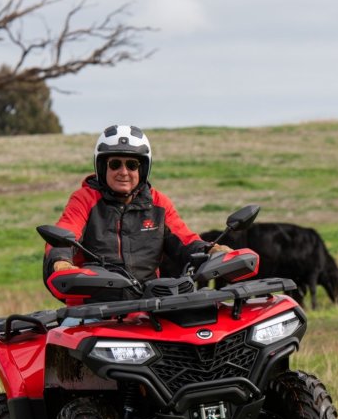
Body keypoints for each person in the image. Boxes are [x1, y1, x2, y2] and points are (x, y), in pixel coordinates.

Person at [43, 124, 230, 294]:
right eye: (115, 164)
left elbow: (185, 241)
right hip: (95, 305)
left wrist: (212, 251)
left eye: (132, 165)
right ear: (102, 167)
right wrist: (62, 261)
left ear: (142, 169)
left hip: (150, 303)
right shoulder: (84, 199)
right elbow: (65, 233)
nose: (123, 172)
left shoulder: (158, 203)